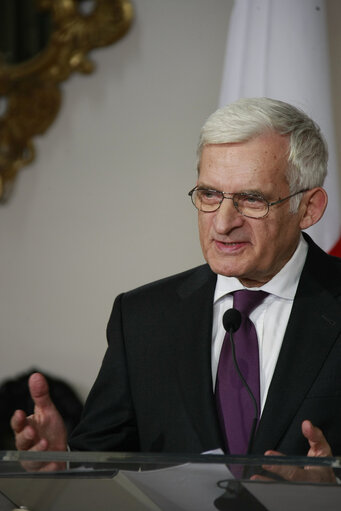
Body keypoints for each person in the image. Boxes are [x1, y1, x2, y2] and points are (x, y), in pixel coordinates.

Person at [11, 98, 341, 482]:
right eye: (209, 194)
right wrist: (60, 465)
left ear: (309, 208)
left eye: (252, 199)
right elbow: (99, 466)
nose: (222, 223)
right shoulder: (142, 318)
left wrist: (332, 492)